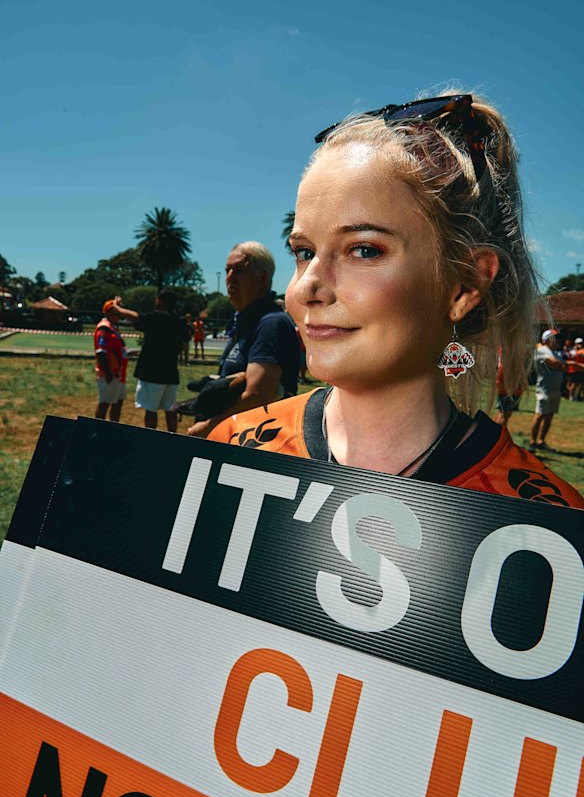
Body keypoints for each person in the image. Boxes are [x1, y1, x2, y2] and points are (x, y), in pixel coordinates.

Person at [208, 93, 583, 508]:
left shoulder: (543, 523)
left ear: (464, 285)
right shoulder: (232, 450)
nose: (305, 289)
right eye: (304, 252)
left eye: (364, 250)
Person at [187, 242, 299, 437]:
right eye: (227, 270)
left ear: (262, 279)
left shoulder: (270, 323)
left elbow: (257, 395)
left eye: (239, 270)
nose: (229, 278)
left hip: (254, 444)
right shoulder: (246, 320)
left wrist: (209, 427)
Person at [112, 291, 183, 432]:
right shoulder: (177, 321)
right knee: (170, 409)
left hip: (152, 372)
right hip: (171, 373)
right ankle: (174, 437)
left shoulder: (156, 318)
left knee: (151, 409)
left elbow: (134, 317)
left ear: (161, 301)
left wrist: (116, 306)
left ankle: (151, 437)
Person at [529, 329, 566, 451]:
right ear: (547, 340)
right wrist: (562, 365)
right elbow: (556, 364)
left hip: (555, 389)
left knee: (549, 415)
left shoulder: (555, 352)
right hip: (544, 389)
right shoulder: (541, 351)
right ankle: (532, 441)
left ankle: (541, 441)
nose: (557, 341)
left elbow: (562, 364)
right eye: (554, 338)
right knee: (540, 414)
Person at [93, 299, 128, 422]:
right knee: (104, 403)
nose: (120, 316)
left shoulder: (113, 328)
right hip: (110, 374)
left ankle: (113, 428)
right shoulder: (104, 328)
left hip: (118, 374)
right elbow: (101, 352)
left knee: (117, 403)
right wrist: (107, 373)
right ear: (109, 313)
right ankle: (98, 430)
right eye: (117, 312)